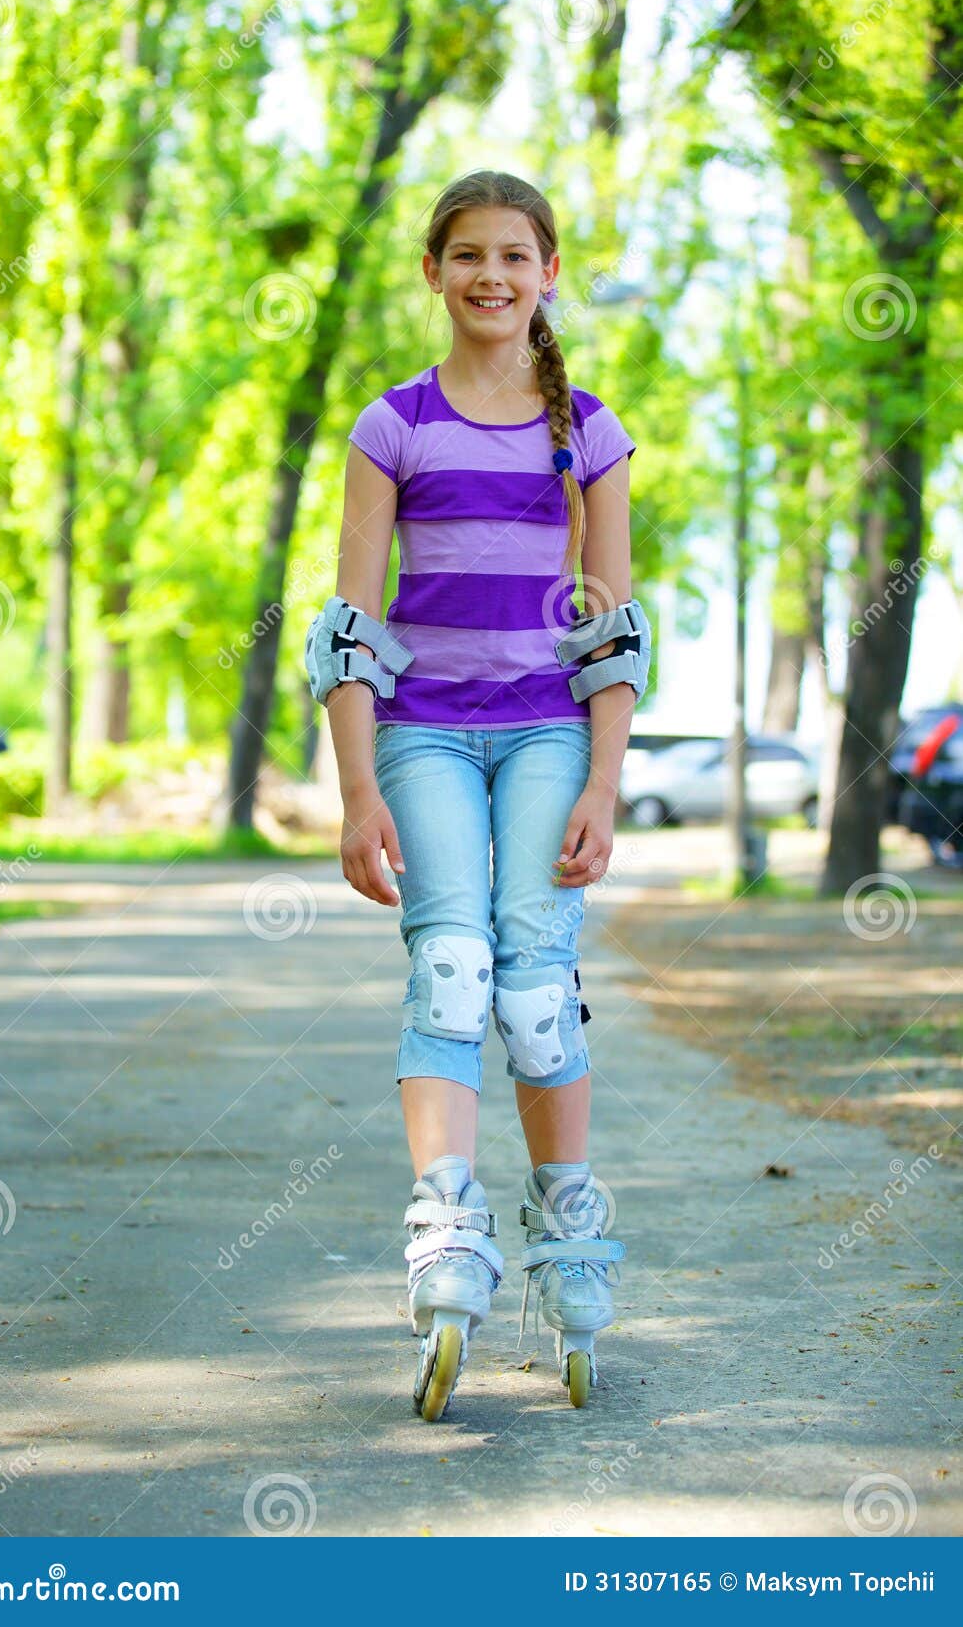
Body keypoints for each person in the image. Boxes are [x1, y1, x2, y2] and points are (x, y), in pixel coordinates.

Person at [304, 169, 651, 1420]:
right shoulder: (391, 426)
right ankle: (446, 1231)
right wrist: (355, 789)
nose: (491, 276)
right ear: (434, 272)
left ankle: (567, 1229)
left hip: (549, 732)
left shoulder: (587, 434)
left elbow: (608, 632)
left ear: (545, 273)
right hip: (425, 736)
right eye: (467, 256)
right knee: (448, 964)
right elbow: (349, 626)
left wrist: (605, 784)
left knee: (534, 983)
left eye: (514, 256)